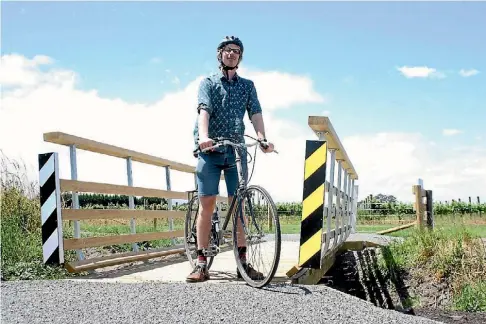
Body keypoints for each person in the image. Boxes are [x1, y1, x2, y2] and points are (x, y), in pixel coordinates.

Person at [187, 36, 274, 283]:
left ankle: (243, 264)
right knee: (208, 204)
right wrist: (203, 137)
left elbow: (255, 113)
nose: (232, 54)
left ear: (240, 57)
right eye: (227, 50)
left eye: (236, 51)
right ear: (219, 55)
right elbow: (204, 111)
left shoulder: (247, 86)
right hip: (211, 149)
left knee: (239, 206)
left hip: (236, 151)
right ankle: (201, 263)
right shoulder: (208, 83)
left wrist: (262, 138)